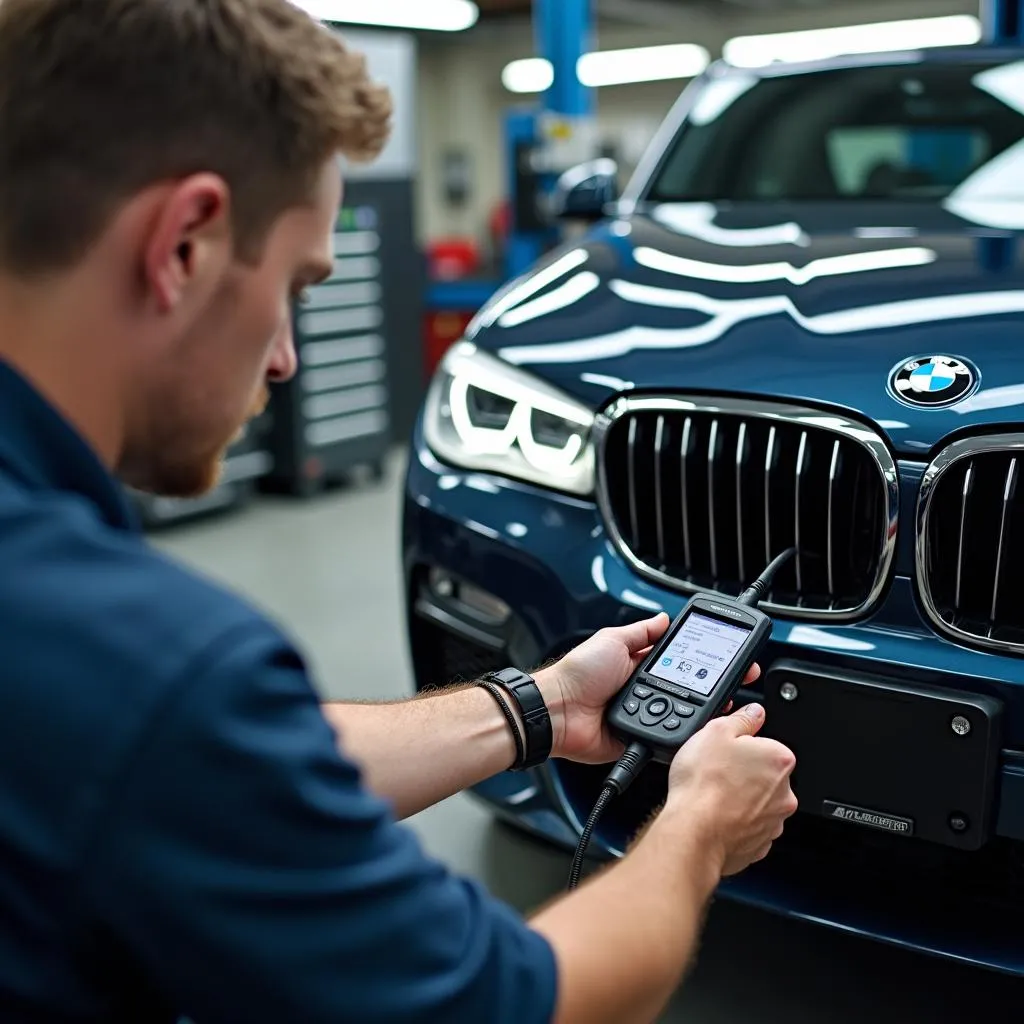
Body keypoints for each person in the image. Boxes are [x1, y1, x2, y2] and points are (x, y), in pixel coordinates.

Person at [0, 2, 798, 1022]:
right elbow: (523, 1003)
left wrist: (539, 706)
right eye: (294, 283)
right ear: (185, 245)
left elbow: (222, 766)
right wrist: (698, 823)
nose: (285, 356)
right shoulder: (146, 661)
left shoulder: (101, 669)